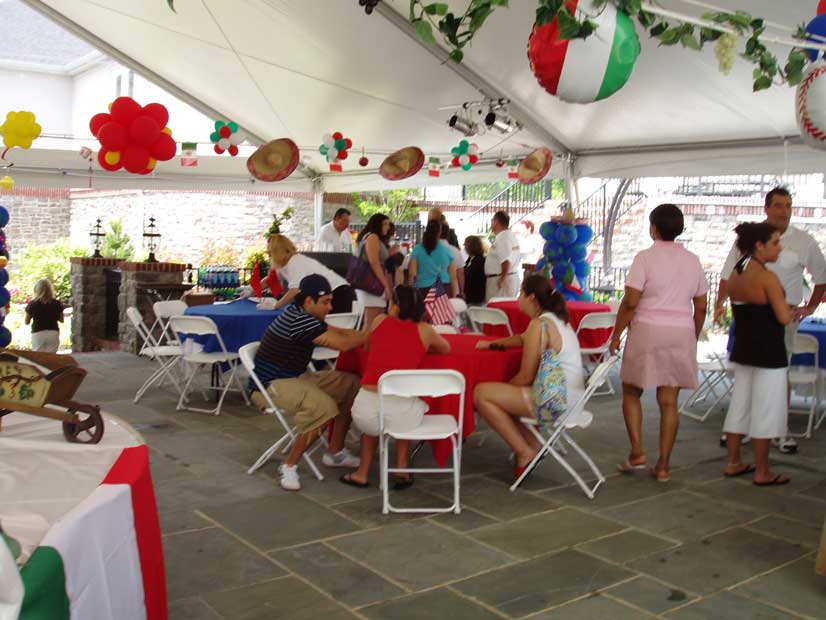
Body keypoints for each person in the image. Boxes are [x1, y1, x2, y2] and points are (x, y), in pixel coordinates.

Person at [714, 187, 826, 454]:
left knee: (778, 375)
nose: (784, 211)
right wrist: (719, 305)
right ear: (766, 208)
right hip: (749, 317)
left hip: (782, 318)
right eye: (778, 205)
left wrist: (809, 307)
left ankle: (778, 430)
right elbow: (727, 276)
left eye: (788, 205)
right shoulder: (750, 241)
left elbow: (821, 276)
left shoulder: (803, 241)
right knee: (746, 375)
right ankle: (742, 430)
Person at [609, 204, 708, 482]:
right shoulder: (693, 260)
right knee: (669, 401)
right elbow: (701, 305)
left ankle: (637, 451)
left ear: (653, 228)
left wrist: (616, 334)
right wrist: (692, 334)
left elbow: (631, 301)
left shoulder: (644, 258)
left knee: (631, 390)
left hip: (647, 330)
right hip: (680, 331)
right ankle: (663, 465)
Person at [250, 274, 367, 491]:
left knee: (352, 384)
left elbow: (340, 332)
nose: (330, 307)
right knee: (324, 407)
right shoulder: (300, 320)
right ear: (308, 301)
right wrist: (373, 336)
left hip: (297, 377)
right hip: (270, 385)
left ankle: (335, 452)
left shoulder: (304, 314)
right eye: (325, 302)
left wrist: (367, 335)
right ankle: (289, 465)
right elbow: (343, 344)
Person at [473, 275, 584, 481]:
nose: (518, 299)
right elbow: (522, 339)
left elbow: (525, 377)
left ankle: (525, 451)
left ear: (531, 297)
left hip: (555, 401)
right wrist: (492, 344)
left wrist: (501, 390)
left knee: (481, 394)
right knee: (500, 396)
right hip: (572, 398)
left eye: (520, 294)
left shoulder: (539, 324)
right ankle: (534, 446)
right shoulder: (555, 319)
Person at [340, 286, 451, 489]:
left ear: (396, 307)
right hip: (402, 416)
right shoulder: (425, 330)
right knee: (405, 404)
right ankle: (401, 469)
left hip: (364, 411)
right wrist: (423, 347)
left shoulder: (379, 321)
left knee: (374, 423)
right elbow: (445, 348)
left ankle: (362, 473)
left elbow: (367, 347)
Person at [722, 223, 792, 486]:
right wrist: (791, 310)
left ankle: (734, 462)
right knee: (766, 409)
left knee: (739, 406)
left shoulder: (736, 272)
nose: (780, 248)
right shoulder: (766, 277)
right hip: (768, 352)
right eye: (775, 242)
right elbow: (783, 317)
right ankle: (763, 470)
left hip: (744, 347)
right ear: (759, 246)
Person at [268, 234, 355, 314]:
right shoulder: (286, 263)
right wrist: (258, 288)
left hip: (338, 293)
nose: (269, 256)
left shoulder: (294, 262)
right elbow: (271, 279)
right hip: (334, 292)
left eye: (270, 252)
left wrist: (276, 305)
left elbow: (294, 291)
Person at [355, 214, 393, 328]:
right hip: (373, 283)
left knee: (376, 320)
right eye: (385, 224)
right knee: (371, 321)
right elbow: (374, 262)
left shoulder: (372, 238)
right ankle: (366, 340)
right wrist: (385, 285)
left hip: (374, 283)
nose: (388, 227)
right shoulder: (372, 237)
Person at [409, 220, 456, 297]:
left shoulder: (417, 249)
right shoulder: (447, 251)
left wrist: (414, 291)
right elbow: (453, 278)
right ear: (440, 233)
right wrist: (453, 296)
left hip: (423, 289)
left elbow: (412, 274)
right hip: (444, 288)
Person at [485, 210, 521, 301]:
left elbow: (506, 260)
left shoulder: (503, 238)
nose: (491, 223)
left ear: (496, 221)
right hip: (506, 277)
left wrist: (502, 279)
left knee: (497, 306)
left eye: (492, 220)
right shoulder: (507, 235)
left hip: (501, 280)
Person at [25, 279, 64, 353]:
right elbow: (62, 320)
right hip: (53, 332)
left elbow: (27, 322)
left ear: (36, 290)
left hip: (38, 333)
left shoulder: (32, 304)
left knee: (38, 357)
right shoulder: (57, 303)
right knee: (51, 357)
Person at [440, 223, 464, 297]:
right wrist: (462, 291)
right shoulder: (455, 250)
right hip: (452, 289)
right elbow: (460, 273)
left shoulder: (427, 250)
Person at [463, 235, 487, 305]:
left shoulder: (481, 260)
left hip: (477, 293)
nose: (465, 248)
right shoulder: (469, 259)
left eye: (466, 245)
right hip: (469, 293)